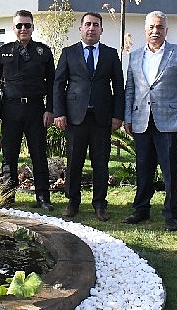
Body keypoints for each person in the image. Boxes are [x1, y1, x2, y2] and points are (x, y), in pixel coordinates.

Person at [122, 11, 177, 231]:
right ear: (145, 30)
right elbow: (130, 90)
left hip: (170, 121)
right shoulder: (134, 56)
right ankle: (141, 209)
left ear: (166, 30)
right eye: (151, 27)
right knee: (143, 167)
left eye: (160, 27)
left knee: (170, 171)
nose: (155, 31)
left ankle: (171, 214)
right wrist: (128, 117)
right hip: (141, 120)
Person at [53, 12, 125, 221]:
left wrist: (118, 115)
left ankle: (100, 204)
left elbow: (118, 88)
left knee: (100, 163)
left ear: (101, 30)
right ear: (80, 29)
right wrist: (59, 112)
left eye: (95, 25)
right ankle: (72, 202)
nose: (91, 28)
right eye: (87, 25)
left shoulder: (111, 55)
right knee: (74, 162)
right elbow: (58, 85)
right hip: (75, 118)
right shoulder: (68, 53)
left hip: (102, 119)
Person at [0, 10, 55, 211]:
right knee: (10, 154)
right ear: (13, 28)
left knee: (38, 154)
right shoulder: (3, 51)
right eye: (19, 26)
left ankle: (43, 197)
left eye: (27, 25)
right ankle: (8, 196)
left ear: (33, 27)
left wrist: (50, 109)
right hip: (10, 108)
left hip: (36, 108)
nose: (23, 29)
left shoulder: (43, 52)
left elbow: (52, 83)